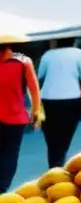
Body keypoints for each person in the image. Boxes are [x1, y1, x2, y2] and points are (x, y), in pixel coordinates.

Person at [37, 38, 81, 168]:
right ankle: (58, 165)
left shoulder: (48, 55)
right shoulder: (80, 54)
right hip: (72, 99)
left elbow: (39, 76)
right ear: (74, 41)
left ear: (56, 41)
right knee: (65, 136)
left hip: (48, 99)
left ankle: (55, 165)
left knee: (51, 138)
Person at [0, 44, 41, 192]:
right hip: (15, 117)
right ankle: (2, 189)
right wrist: (36, 112)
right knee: (10, 153)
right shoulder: (24, 62)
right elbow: (34, 88)